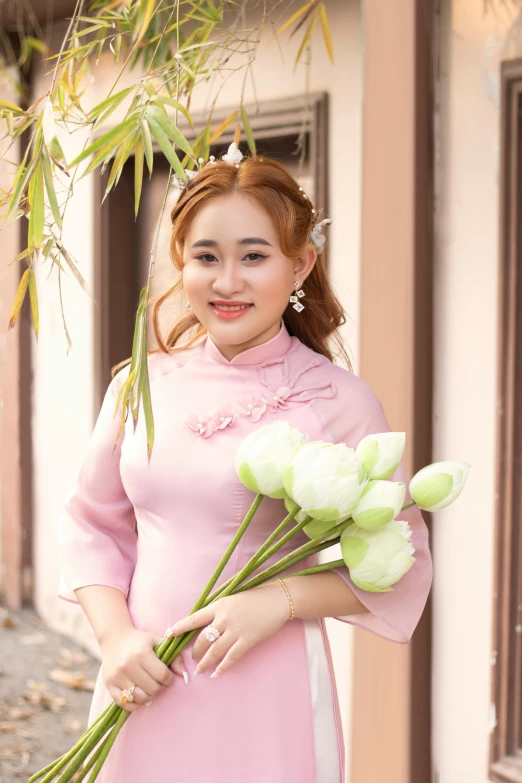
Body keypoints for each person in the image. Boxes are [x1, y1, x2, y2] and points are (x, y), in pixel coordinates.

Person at [57, 143, 433, 783]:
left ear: (300, 264)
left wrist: (280, 599)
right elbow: (93, 526)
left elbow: (400, 565)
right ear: (183, 263)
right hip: (142, 681)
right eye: (206, 257)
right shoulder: (139, 386)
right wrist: (116, 639)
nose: (227, 282)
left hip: (267, 687)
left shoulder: (337, 401)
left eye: (254, 257)